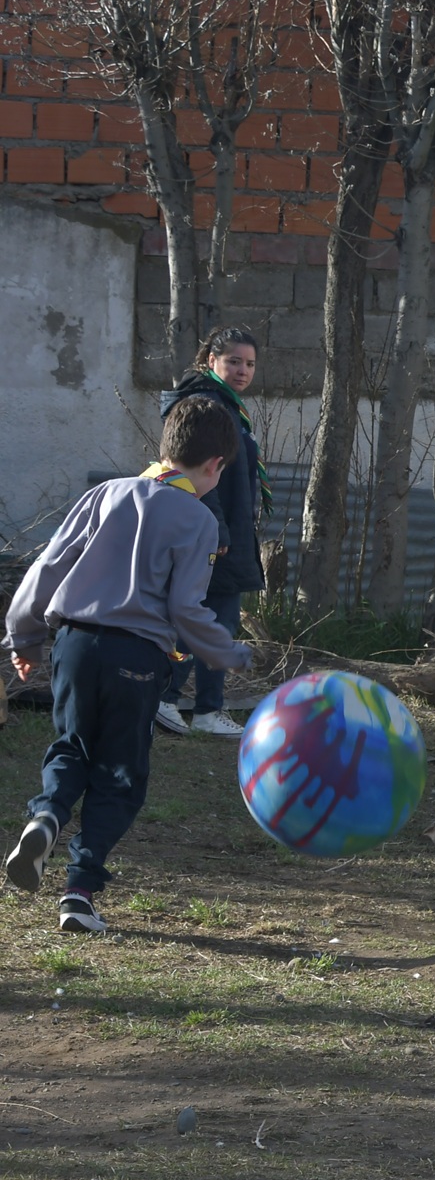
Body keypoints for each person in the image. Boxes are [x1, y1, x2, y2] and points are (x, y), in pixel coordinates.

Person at [4, 398, 253, 933]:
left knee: (71, 746)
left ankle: (46, 816)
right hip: (137, 657)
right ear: (215, 467)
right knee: (119, 773)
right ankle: (79, 892)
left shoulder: (105, 493)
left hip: (74, 643)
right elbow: (187, 608)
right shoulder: (200, 519)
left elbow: (46, 568)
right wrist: (226, 651)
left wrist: (23, 640)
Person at [156, 327, 267, 738]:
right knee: (198, 618)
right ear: (211, 362)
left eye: (250, 363)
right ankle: (164, 698)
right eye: (233, 361)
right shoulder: (205, 404)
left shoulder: (228, 406)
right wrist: (216, 525)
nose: (242, 370)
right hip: (209, 531)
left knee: (220, 622)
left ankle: (206, 710)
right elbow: (198, 474)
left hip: (227, 531)